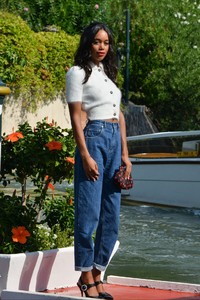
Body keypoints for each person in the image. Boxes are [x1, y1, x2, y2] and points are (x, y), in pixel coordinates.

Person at [66, 22, 132, 299]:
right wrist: (84, 154)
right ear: (88, 43)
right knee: (89, 212)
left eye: (106, 42)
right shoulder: (77, 73)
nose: (102, 47)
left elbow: (119, 115)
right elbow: (75, 117)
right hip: (93, 138)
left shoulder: (108, 73)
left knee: (111, 216)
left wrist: (126, 155)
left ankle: (98, 271)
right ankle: (85, 276)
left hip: (115, 140)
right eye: (96, 41)